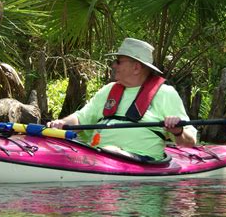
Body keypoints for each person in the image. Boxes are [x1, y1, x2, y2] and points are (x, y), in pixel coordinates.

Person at [47, 38, 197, 161]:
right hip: (96, 155)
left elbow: (189, 143)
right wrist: (63, 123)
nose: (113, 65)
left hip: (139, 159)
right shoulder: (109, 90)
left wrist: (178, 131)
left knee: (109, 151)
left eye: (118, 61)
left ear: (136, 68)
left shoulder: (165, 93)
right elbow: (81, 118)